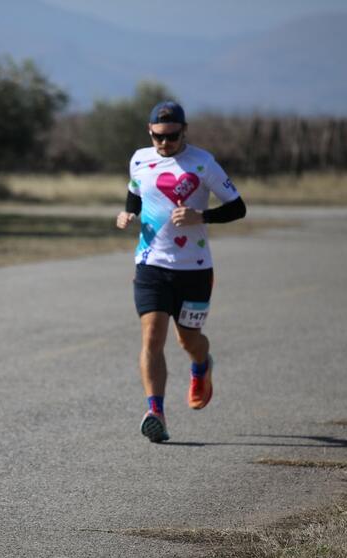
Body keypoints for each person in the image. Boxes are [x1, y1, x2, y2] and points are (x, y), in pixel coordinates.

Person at [116, 101, 246, 442]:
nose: (164, 144)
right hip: (150, 264)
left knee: (188, 340)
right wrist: (128, 214)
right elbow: (134, 193)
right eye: (158, 136)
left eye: (172, 137)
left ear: (183, 131)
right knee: (152, 338)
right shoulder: (139, 158)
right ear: (150, 131)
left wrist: (201, 217)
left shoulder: (203, 163)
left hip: (195, 269)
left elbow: (238, 208)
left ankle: (202, 366)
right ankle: (155, 410)